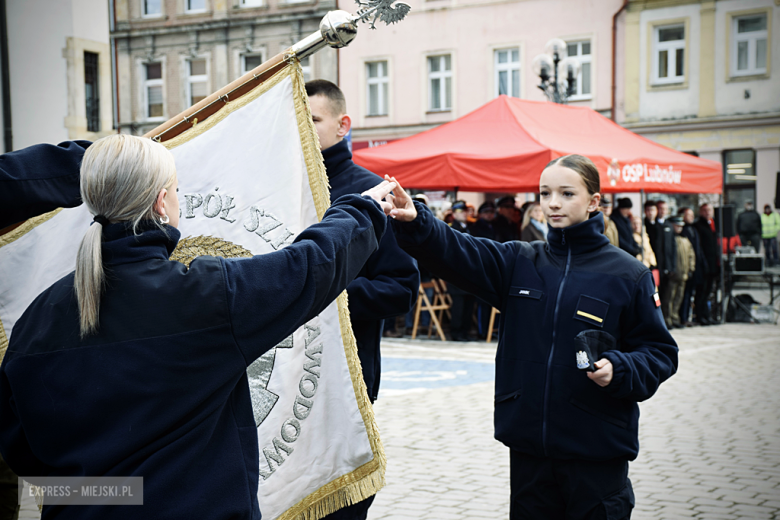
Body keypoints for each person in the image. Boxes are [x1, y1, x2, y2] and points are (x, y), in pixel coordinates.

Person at [0, 134, 395, 519]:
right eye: (175, 189)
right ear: (161, 202)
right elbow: (310, 266)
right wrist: (362, 208)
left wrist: (107, 494)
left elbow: (22, 450)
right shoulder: (204, 295)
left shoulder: (35, 319)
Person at [384, 154, 678, 519]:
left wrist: (621, 368)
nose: (553, 203)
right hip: (530, 454)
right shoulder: (520, 261)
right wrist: (418, 221)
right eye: (545, 193)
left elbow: (660, 352)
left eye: (567, 193)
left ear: (594, 201)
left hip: (596, 452)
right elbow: (460, 250)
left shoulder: (628, 274)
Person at [305, 79, 419, 519]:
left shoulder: (372, 193)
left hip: (344, 382)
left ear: (342, 125)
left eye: (313, 119)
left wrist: (324, 291)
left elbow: (402, 288)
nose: (303, 128)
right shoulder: (279, 187)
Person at [447, 200, 477, 341]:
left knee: (468, 304)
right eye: (460, 211)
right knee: (458, 305)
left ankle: (465, 331)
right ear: (453, 214)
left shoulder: (469, 227)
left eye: (465, 211)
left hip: (469, 272)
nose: (464, 214)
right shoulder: (451, 228)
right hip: (457, 272)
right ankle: (456, 332)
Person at [693, 204, 719, 325]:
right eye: (705, 210)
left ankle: (707, 315)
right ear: (701, 212)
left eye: (709, 210)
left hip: (713, 264)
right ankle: (700, 315)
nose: (708, 212)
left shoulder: (714, 225)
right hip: (703, 264)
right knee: (701, 292)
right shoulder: (698, 226)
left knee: (708, 291)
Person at [679, 207, 705, 327]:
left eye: (692, 214)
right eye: (689, 215)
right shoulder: (682, 231)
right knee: (684, 294)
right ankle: (683, 318)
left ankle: (688, 317)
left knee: (690, 294)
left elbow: (698, 249)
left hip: (695, 266)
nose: (692, 217)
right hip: (684, 267)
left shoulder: (694, 229)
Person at [668, 217, 695, 329]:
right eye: (677, 226)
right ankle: (668, 319)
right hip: (674, 274)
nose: (679, 228)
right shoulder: (671, 238)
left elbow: (691, 255)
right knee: (669, 298)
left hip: (683, 274)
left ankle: (675, 318)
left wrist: (691, 268)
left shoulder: (685, 240)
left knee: (679, 298)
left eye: (681, 226)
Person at [654, 201, 677, 329]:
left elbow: (673, 248)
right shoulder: (653, 225)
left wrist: (672, 266)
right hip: (657, 267)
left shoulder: (669, 225)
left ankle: (666, 320)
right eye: (661, 208)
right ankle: (657, 321)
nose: (663, 211)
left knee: (667, 296)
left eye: (665, 209)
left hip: (668, 267)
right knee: (656, 296)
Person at [643, 201, 661, 268]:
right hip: (647, 260)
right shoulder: (642, 225)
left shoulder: (661, 226)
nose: (650, 213)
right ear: (645, 211)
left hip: (659, 260)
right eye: (648, 210)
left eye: (652, 210)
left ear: (656, 211)